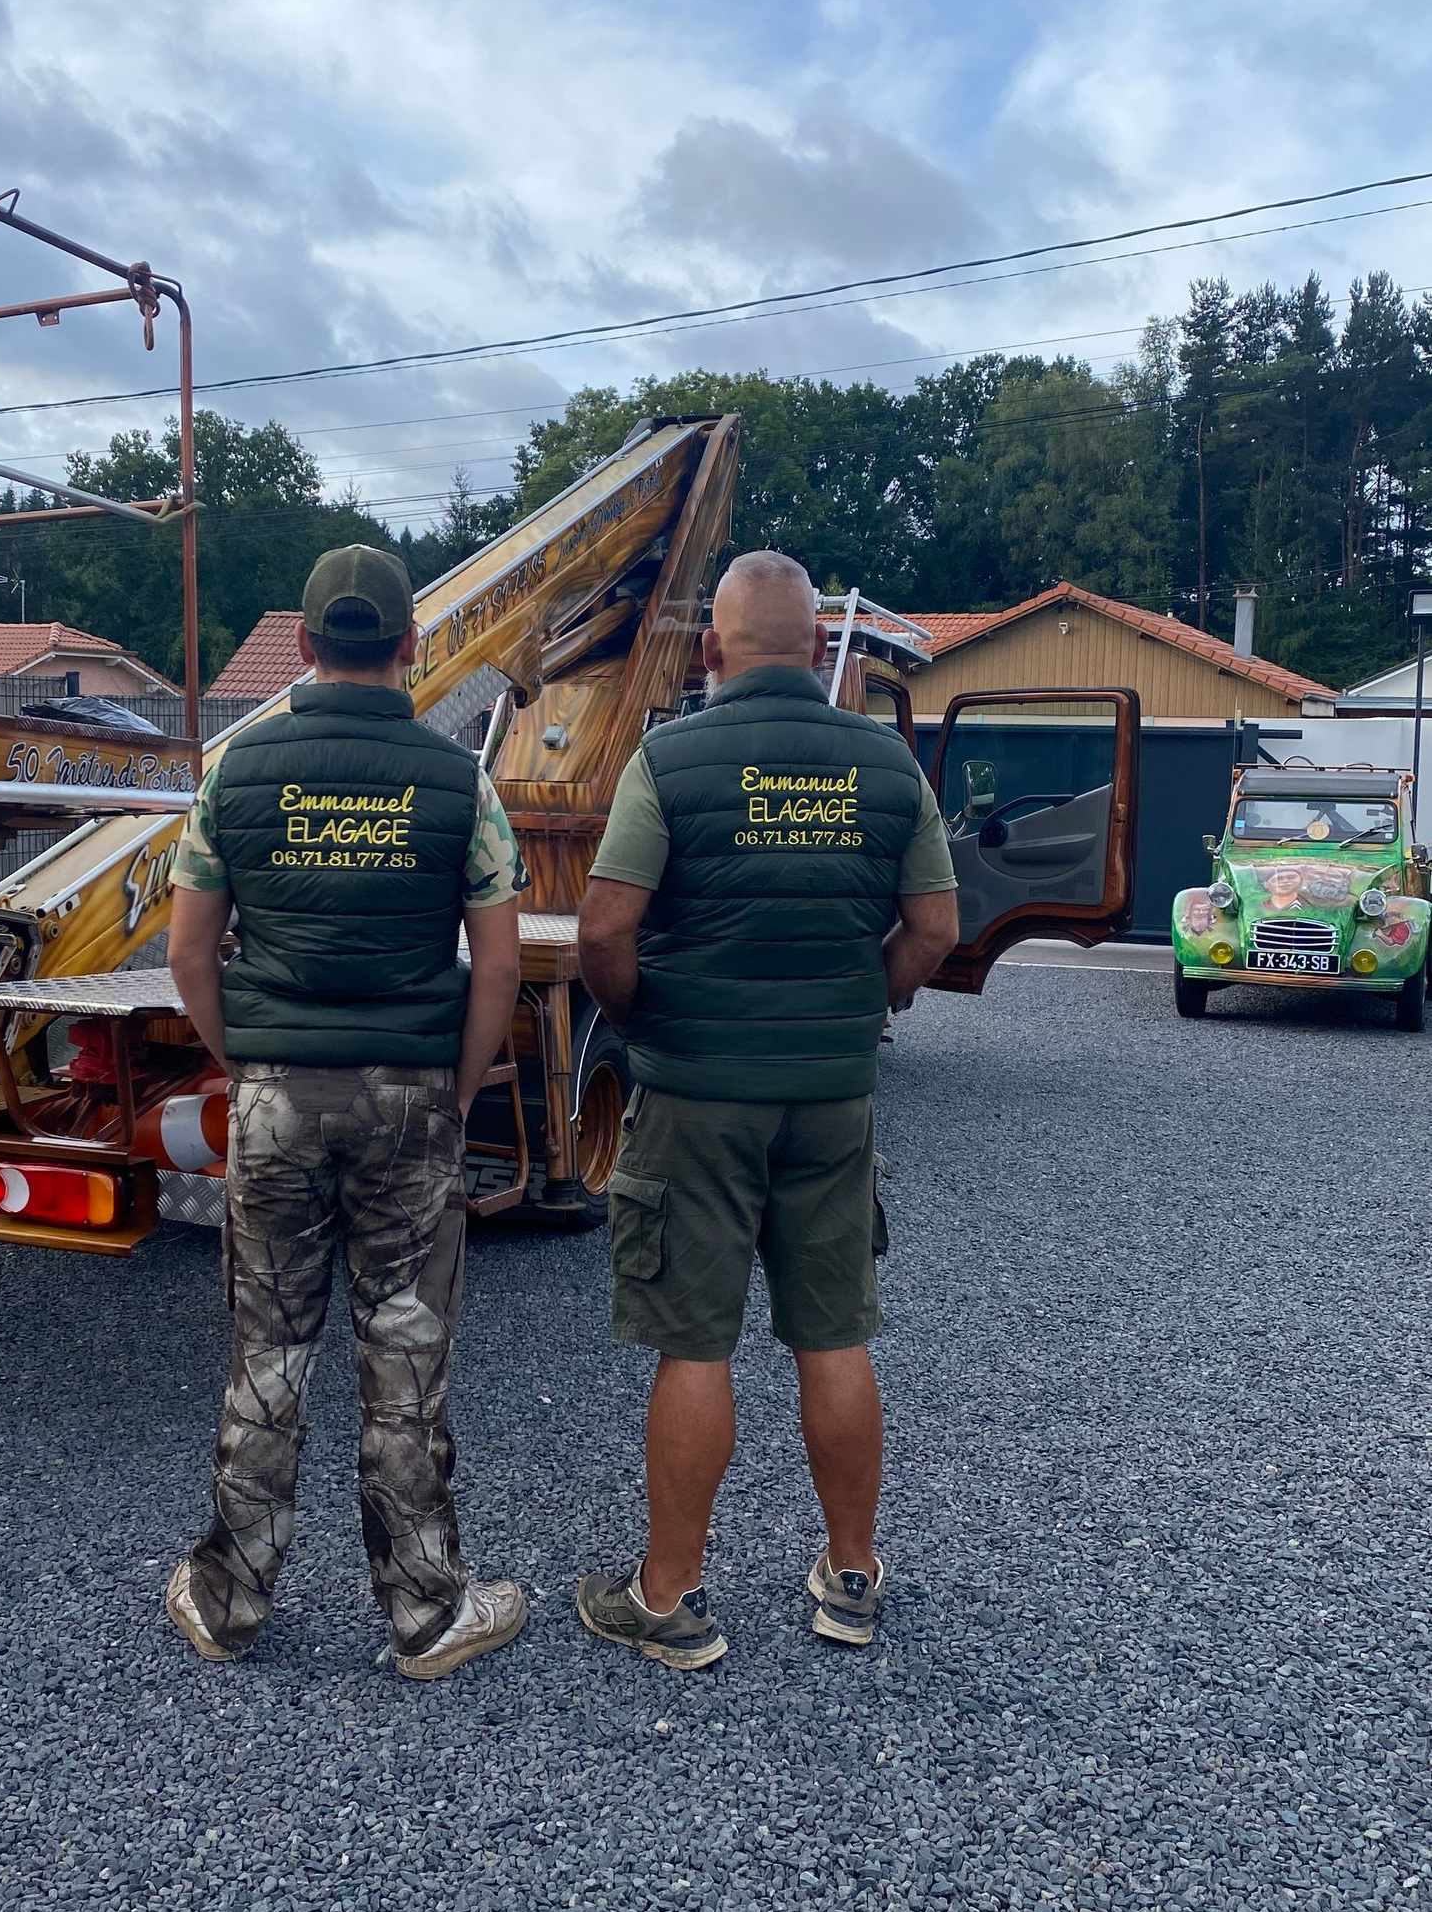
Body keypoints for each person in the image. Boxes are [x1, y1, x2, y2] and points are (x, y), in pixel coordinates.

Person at [574, 551, 959, 1669]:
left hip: (695, 1093)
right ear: (818, 652)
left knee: (697, 1343)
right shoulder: (886, 763)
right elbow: (933, 928)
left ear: (714, 649)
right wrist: (860, 1007)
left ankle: (671, 1601)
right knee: (832, 1332)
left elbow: (603, 930)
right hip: (830, 1098)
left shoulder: (671, 756)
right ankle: (850, 1579)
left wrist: (649, 1023)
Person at [163, 544, 528, 1680]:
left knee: (267, 1349)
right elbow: (501, 964)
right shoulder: (460, 781)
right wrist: (456, 1090)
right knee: (405, 1353)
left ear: (306, 646)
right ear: (413, 647)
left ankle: (226, 1603)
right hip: (411, 1095)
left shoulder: (237, 770)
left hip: (275, 1095)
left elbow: (186, 951)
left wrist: (250, 1060)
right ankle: (426, 1613)